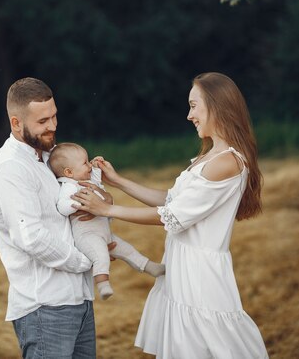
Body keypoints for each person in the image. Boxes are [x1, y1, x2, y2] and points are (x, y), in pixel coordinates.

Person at [72, 72, 269, 358]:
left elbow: (172, 216)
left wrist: (106, 209)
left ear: (217, 105)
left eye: (193, 105)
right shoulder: (210, 156)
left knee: (212, 345)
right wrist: (119, 182)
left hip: (200, 274)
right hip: (182, 266)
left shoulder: (226, 162)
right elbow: (172, 200)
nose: (189, 115)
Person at [0, 77, 112, 359]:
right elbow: (30, 237)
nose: (53, 126)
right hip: (45, 307)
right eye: (42, 121)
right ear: (16, 123)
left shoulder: (52, 158)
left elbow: (89, 199)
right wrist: (86, 261)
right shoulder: (10, 169)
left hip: (79, 299)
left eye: (54, 116)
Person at [49, 142, 165, 300]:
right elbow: (62, 207)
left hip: (105, 233)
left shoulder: (87, 180)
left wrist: (98, 165)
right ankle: (103, 284)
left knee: (127, 250)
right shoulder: (70, 186)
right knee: (101, 256)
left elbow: (99, 183)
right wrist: (79, 205)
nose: (89, 165)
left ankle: (150, 267)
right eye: (85, 163)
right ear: (69, 172)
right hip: (88, 235)